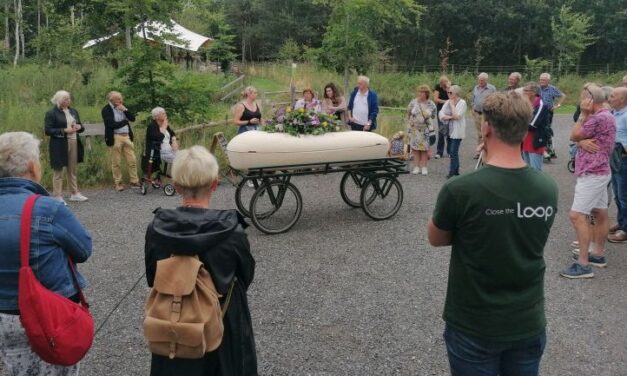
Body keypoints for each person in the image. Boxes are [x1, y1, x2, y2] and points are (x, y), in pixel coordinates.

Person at [428, 91, 558, 376]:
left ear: (486, 128)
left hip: (474, 323)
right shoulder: (547, 187)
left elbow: (437, 238)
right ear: (525, 129)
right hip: (528, 320)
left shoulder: (461, 188)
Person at [145, 145, 257, 376]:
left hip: (175, 325)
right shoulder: (233, 231)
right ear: (214, 184)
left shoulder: (156, 229)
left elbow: (151, 277)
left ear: (176, 186)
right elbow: (245, 276)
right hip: (223, 324)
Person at [0, 132, 92, 376]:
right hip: (52, 312)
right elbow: (84, 249)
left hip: (5, 316)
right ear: (32, 167)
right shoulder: (48, 208)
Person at [560, 84, 616, 279]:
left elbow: (574, 134)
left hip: (592, 173)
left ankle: (583, 264)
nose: (581, 102)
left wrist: (583, 115)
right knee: (599, 212)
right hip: (600, 171)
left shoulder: (597, 117)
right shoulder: (605, 115)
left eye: (584, 98)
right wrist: (581, 141)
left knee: (576, 216)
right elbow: (580, 138)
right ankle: (597, 255)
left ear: (591, 100)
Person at [44, 90, 88, 204]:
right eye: (66, 99)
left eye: (69, 98)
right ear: (59, 100)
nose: (69, 100)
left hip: (74, 141)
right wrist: (64, 130)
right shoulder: (51, 113)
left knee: (72, 169)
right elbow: (48, 130)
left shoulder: (73, 111)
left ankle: (74, 193)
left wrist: (79, 127)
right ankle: (57, 196)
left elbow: (81, 126)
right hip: (59, 144)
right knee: (58, 170)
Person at [102, 91, 140, 192]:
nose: (120, 100)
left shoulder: (123, 107)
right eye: (118, 99)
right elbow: (111, 124)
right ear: (111, 100)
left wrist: (125, 110)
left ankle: (134, 181)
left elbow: (132, 118)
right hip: (115, 137)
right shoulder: (106, 109)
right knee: (116, 162)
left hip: (127, 136)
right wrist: (125, 122)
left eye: (120, 98)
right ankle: (118, 183)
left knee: (132, 160)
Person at [607, 87, 627, 243]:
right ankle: (621, 222)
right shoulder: (614, 113)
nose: (609, 98)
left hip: (623, 158)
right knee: (617, 195)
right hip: (614, 158)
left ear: (623, 99)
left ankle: (626, 230)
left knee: (624, 196)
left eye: (613, 96)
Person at [407, 85, 437, 175]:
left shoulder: (430, 104)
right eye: (419, 92)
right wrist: (409, 125)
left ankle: (424, 167)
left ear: (427, 93)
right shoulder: (413, 102)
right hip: (415, 129)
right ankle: (416, 167)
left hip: (425, 129)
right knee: (415, 149)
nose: (420, 94)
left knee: (424, 149)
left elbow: (433, 115)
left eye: (422, 92)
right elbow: (408, 112)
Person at [521, 82, 551, 170]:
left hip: (535, 142)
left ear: (534, 92)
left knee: (536, 172)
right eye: (523, 90)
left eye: (526, 91)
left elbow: (532, 125)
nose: (523, 92)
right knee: (527, 171)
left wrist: (518, 122)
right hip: (525, 141)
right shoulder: (526, 103)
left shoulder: (541, 105)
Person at [439, 85, 467, 178]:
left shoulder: (462, 102)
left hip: (457, 131)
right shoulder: (447, 102)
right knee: (451, 152)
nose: (448, 94)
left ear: (456, 93)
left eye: (451, 92)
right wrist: (450, 117)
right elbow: (441, 114)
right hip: (449, 130)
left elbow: (457, 116)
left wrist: (451, 106)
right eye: (448, 92)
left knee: (453, 151)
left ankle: (452, 172)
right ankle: (456, 171)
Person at [145, 107, 178, 184]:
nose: (165, 114)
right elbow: (158, 138)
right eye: (163, 113)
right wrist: (164, 127)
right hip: (159, 152)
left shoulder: (164, 124)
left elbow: (172, 133)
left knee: (187, 157)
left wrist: (174, 140)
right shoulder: (151, 126)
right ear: (157, 117)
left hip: (170, 150)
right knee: (181, 160)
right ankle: (178, 180)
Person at [539, 73, 566, 158]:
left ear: (548, 81)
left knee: (547, 128)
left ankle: (549, 148)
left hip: (548, 112)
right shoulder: (537, 88)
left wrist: (557, 105)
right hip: (537, 111)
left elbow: (563, 96)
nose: (541, 81)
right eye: (540, 79)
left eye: (543, 80)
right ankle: (541, 147)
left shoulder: (552, 89)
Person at [471, 72, 496, 158]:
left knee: (486, 133)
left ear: (486, 80)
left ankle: (487, 151)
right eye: (479, 80)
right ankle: (479, 152)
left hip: (486, 114)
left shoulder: (492, 88)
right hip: (477, 113)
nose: (480, 82)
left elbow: (495, 101)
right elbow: (473, 99)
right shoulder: (476, 87)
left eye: (482, 80)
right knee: (479, 133)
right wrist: (473, 106)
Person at [433, 76, 451, 158]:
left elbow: (452, 97)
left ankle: (450, 151)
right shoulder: (438, 87)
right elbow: (436, 99)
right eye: (441, 84)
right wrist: (446, 102)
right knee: (441, 130)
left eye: (443, 84)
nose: (441, 86)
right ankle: (439, 152)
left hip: (450, 110)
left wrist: (448, 88)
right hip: (441, 110)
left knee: (450, 131)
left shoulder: (451, 87)